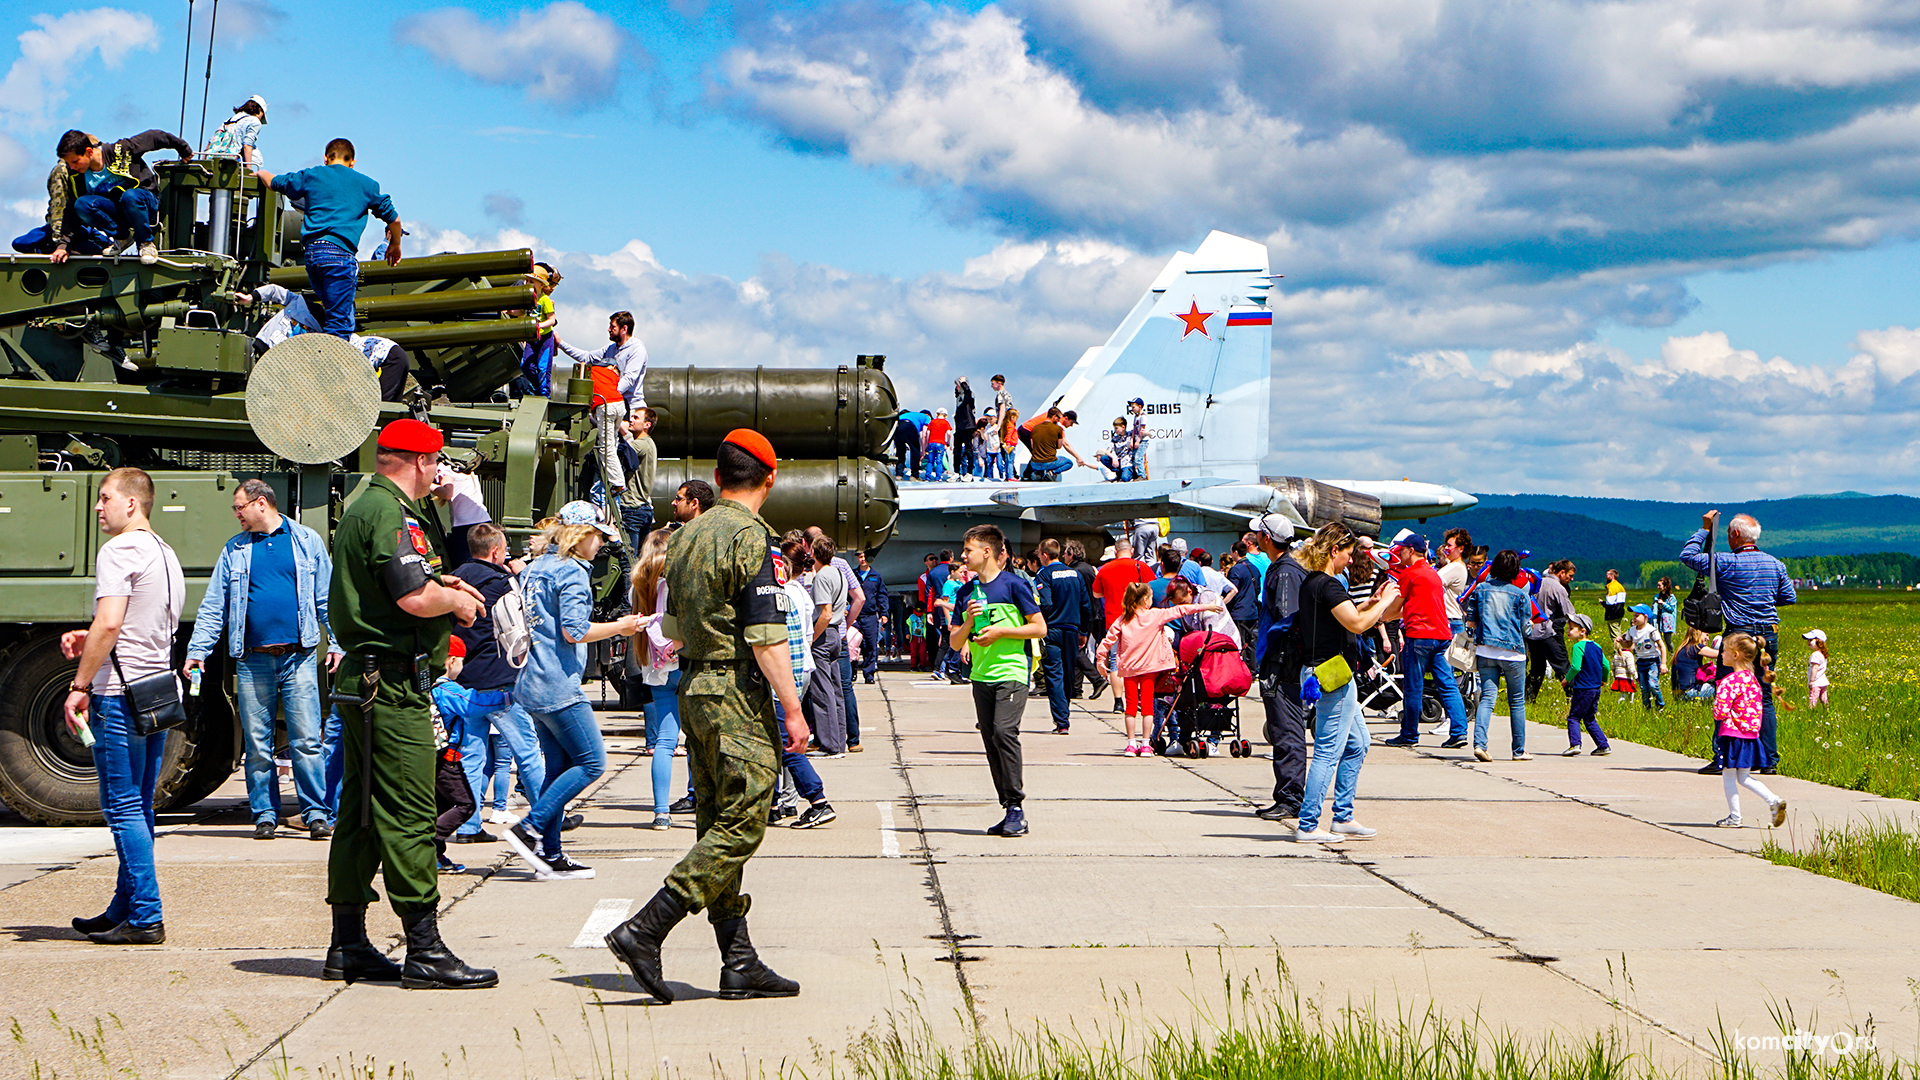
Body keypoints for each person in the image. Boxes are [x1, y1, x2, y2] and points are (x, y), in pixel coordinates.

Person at [605, 429, 809, 1005]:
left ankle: (737, 960)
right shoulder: (751, 539)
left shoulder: (686, 535)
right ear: (769, 479)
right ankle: (647, 928)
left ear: (717, 478)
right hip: (734, 693)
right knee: (744, 820)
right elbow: (767, 637)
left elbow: (669, 626)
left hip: (691, 684)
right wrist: (792, 709)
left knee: (717, 820)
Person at [323, 419, 495, 989]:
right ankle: (425, 948)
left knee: (362, 816)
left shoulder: (369, 506)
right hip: (389, 685)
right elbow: (414, 596)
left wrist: (448, 584)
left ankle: (347, 944)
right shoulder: (388, 511)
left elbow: (408, 582)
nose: (440, 472)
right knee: (411, 814)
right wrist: (457, 604)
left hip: (366, 679)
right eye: (437, 461)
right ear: (419, 461)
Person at [61, 468, 185, 945]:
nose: (98, 506)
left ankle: (147, 915)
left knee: (122, 807)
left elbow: (110, 624)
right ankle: (125, 906)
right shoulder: (165, 552)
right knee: (142, 806)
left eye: (105, 497)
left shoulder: (118, 551)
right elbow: (136, 623)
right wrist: (86, 635)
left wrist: (80, 685)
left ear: (131, 503)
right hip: (157, 690)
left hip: (120, 695)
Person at [184, 478, 342, 841]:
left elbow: (326, 599)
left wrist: (337, 643)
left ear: (261, 504)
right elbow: (214, 607)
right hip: (252, 660)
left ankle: (316, 813)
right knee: (258, 744)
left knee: (306, 740)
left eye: (239, 507)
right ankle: (264, 816)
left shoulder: (306, 541)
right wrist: (197, 651)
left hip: (298, 658)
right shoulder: (235, 550)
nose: (236, 515)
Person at [500, 503, 640, 881]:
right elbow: (575, 631)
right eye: (597, 537)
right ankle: (529, 830)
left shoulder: (534, 568)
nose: (601, 545)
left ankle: (551, 855)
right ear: (581, 536)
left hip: (530, 680)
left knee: (557, 768)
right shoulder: (572, 572)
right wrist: (621, 626)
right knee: (593, 762)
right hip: (558, 683)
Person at [1291, 523, 1400, 843]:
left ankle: (1342, 816)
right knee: (1328, 750)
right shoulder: (1329, 585)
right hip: (1333, 675)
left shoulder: (1313, 583)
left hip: (1324, 671)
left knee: (1358, 743)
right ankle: (1308, 824)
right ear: (1334, 550)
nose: (1351, 562)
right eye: (1349, 555)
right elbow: (1355, 622)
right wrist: (1383, 603)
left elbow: (1349, 614)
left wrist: (1374, 601)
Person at [442, 524, 545, 845]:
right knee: (528, 752)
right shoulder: (505, 584)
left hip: (466, 684)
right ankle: (551, 815)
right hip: (502, 682)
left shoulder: (453, 582)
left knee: (471, 757)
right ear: (497, 552)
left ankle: (469, 826)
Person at [1681, 510, 1796, 774]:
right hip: (1768, 633)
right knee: (1764, 697)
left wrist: (1705, 530)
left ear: (1734, 535)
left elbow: (1687, 556)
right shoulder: (1776, 564)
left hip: (1738, 636)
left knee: (1727, 693)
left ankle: (1724, 758)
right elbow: (1789, 597)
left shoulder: (1725, 562)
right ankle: (1767, 761)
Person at [949, 525, 1045, 835]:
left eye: (968, 551)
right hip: (981, 675)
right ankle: (1008, 809)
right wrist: (967, 622)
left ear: (986, 552)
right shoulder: (966, 592)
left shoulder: (1015, 586)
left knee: (1005, 732)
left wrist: (1002, 631)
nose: (964, 556)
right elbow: (954, 642)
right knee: (991, 740)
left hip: (1012, 672)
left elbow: (1039, 628)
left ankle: (1016, 805)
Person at [257, 139, 403, 339]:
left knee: (331, 313)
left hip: (313, 255)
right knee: (339, 326)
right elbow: (394, 220)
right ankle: (333, 366)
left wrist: (260, 173)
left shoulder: (312, 176)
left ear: (326, 158)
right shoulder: (367, 184)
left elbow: (275, 182)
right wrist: (395, 244)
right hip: (340, 255)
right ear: (353, 162)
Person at [1097, 582, 1220, 756]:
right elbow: (1181, 610)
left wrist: (1100, 660)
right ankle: (1146, 744)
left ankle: (1131, 744)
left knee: (1130, 707)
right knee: (1147, 707)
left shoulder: (1123, 619)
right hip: (1149, 669)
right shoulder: (1155, 615)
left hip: (1129, 669)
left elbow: (1108, 640)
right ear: (1146, 599)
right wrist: (1205, 606)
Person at [236, 283, 413, 401]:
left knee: (382, 411)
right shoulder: (303, 310)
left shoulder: (326, 331)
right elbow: (274, 291)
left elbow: (275, 291)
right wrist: (252, 297)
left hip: (389, 355)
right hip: (269, 346)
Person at [50, 129, 192, 266]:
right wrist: (63, 246)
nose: (72, 167)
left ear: (88, 151)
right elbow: (71, 211)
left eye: (75, 161)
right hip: (119, 210)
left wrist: (183, 148)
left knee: (129, 196)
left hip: (143, 203)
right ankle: (122, 237)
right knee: (82, 204)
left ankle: (145, 243)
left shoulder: (120, 151)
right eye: (68, 163)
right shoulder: (76, 176)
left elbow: (154, 136)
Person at [1378, 534, 1468, 749]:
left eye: (1401, 551)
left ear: (1410, 550)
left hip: (1419, 636)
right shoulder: (1433, 574)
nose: (1399, 554)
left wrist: (1380, 618)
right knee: (1447, 684)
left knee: (1413, 686)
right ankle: (1459, 731)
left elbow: (1395, 606)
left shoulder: (1409, 574)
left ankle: (1409, 733)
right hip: (1442, 634)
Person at [773, 537, 836, 829]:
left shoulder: (782, 594)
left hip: (786, 675)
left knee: (787, 744)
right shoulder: (799, 591)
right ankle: (778, 802)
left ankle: (817, 799)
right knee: (777, 741)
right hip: (800, 671)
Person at [1712, 633, 1787, 829]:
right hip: (1750, 735)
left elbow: (1720, 712)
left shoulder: (1729, 682)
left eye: (1724, 651)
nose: (1721, 655)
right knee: (1744, 776)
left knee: (1728, 775)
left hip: (1732, 734)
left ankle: (1735, 817)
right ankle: (1773, 800)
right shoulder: (1753, 680)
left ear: (1735, 654)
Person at [1466, 549, 1533, 762]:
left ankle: (1479, 744)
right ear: (1515, 570)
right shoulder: (1520, 593)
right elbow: (1525, 629)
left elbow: (1471, 621)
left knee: (1487, 698)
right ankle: (1519, 750)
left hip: (1486, 650)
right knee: (1516, 701)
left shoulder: (1481, 589)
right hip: (1513, 653)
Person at [1034, 540, 1092, 735]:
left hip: (1052, 629)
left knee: (1054, 674)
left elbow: (1046, 603)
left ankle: (1062, 720)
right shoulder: (1075, 574)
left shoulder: (1044, 574)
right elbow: (1086, 605)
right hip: (1072, 629)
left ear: (1044, 555)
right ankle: (1064, 713)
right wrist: (1083, 631)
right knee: (1068, 672)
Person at [800, 534, 851, 755]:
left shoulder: (821, 577)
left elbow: (825, 613)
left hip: (823, 636)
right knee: (835, 690)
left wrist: (811, 638)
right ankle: (839, 741)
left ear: (813, 553)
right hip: (836, 636)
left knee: (822, 691)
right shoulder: (839, 572)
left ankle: (829, 744)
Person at [1094, 540, 1155, 713]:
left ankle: (1118, 701)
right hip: (1137, 621)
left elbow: (1096, 592)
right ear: (1132, 550)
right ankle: (1137, 699)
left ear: (1115, 551)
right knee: (1139, 660)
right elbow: (1152, 589)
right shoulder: (1140, 566)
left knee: (1115, 662)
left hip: (1113, 620)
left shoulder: (1104, 569)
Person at [1523, 559, 1575, 704]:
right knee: (1562, 665)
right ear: (1561, 572)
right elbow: (1569, 612)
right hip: (1547, 632)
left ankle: (1528, 698)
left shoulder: (1538, 582)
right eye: (1569, 576)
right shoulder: (1558, 588)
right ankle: (1572, 695)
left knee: (1536, 668)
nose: (1571, 579)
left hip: (1532, 632)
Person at [1558, 614, 1611, 756]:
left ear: (1583, 631)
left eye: (1571, 628)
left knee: (1573, 717)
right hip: (1595, 688)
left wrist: (1566, 679)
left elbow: (1575, 667)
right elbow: (1605, 665)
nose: (1568, 631)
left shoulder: (1578, 647)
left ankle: (1575, 744)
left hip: (1583, 688)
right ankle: (1603, 745)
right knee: (1589, 718)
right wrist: (1603, 679)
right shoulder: (1597, 646)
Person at [203, 95, 268, 166]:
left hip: (215, 160)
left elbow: (211, 142)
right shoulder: (255, 121)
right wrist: (249, 169)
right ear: (259, 109)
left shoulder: (229, 120)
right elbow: (247, 145)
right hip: (232, 162)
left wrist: (203, 162)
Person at [855, 550, 888, 685]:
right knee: (854, 645)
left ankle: (869, 674)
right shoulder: (853, 574)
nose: (862, 559)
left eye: (864, 557)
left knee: (870, 645)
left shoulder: (876, 576)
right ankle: (852, 672)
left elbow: (882, 595)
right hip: (855, 615)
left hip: (870, 615)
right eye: (859, 557)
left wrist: (884, 613)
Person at [1628, 604, 1667, 710]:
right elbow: (1629, 646)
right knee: (1644, 688)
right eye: (1633, 616)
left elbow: (1662, 646)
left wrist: (1663, 663)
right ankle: (1647, 709)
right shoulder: (1631, 631)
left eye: (1637, 616)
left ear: (1645, 617)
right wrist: (1621, 641)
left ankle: (1660, 705)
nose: (1634, 618)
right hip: (1640, 662)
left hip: (1653, 661)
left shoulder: (1651, 630)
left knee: (1652, 684)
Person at [1098, 415, 1140, 481]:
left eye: (1116, 428)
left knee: (1125, 478)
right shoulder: (1115, 439)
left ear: (1123, 427)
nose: (1115, 430)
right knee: (1103, 458)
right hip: (1119, 461)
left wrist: (1132, 440)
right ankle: (1118, 472)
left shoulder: (1130, 435)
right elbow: (1107, 451)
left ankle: (1132, 473)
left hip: (1128, 462)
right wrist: (1113, 457)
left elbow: (1137, 429)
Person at [952, 378, 979, 480]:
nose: (957, 388)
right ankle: (956, 472)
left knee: (968, 449)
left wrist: (963, 383)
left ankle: (969, 472)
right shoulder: (959, 397)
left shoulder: (969, 396)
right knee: (957, 450)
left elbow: (968, 392)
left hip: (968, 426)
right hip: (959, 426)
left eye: (958, 385)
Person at [924, 409, 952, 482]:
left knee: (930, 461)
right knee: (939, 461)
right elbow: (949, 433)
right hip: (940, 443)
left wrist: (927, 442)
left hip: (931, 443)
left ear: (937, 414)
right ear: (945, 416)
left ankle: (927, 478)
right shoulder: (946, 423)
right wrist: (948, 442)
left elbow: (928, 433)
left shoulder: (932, 422)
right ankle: (938, 478)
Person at [1804, 629, 1829, 707]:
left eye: (1811, 640)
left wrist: (1811, 681)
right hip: (1823, 681)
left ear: (1819, 641)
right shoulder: (1822, 654)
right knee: (1824, 698)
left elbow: (1815, 668)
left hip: (1816, 682)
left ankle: (1811, 711)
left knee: (1813, 699)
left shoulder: (1815, 655)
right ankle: (1827, 709)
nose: (1808, 642)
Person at [1653, 577, 1678, 653]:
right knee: (1657, 639)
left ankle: (1672, 654)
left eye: (1660, 585)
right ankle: (1659, 655)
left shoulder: (1671, 598)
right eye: (1657, 585)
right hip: (1657, 619)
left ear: (1665, 586)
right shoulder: (1656, 596)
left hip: (1667, 622)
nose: (1658, 587)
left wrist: (1663, 604)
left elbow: (1671, 609)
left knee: (1668, 641)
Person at [1611, 636, 1639, 703]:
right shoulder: (1629, 655)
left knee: (1624, 694)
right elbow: (1631, 668)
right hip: (1626, 678)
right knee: (1628, 694)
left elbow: (1613, 667)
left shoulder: (1616, 654)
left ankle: (1625, 706)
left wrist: (1615, 675)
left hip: (1619, 677)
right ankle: (1626, 705)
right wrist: (1636, 677)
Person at [1602, 569, 1627, 639]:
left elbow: (1610, 602)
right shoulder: (1620, 586)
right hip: (1620, 611)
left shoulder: (1612, 587)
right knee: (1618, 631)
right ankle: (1621, 648)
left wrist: (1603, 603)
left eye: (1607, 575)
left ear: (1612, 576)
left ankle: (1618, 649)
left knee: (1615, 635)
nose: (1606, 576)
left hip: (1613, 613)